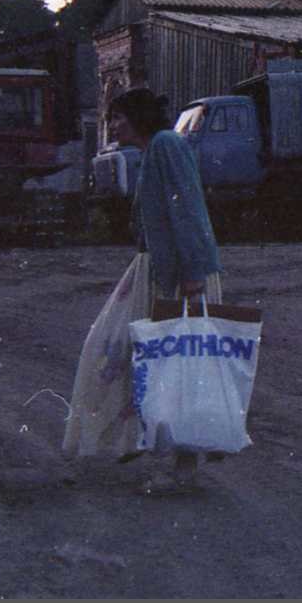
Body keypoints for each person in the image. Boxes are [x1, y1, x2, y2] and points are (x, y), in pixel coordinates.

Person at [105, 86, 224, 493]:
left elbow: (187, 210)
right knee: (153, 361)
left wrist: (192, 275)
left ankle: (183, 466)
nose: (113, 126)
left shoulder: (166, 145)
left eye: (118, 118)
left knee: (181, 367)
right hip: (162, 271)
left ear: (137, 118)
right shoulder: (155, 149)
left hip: (180, 277)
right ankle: (149, 445)